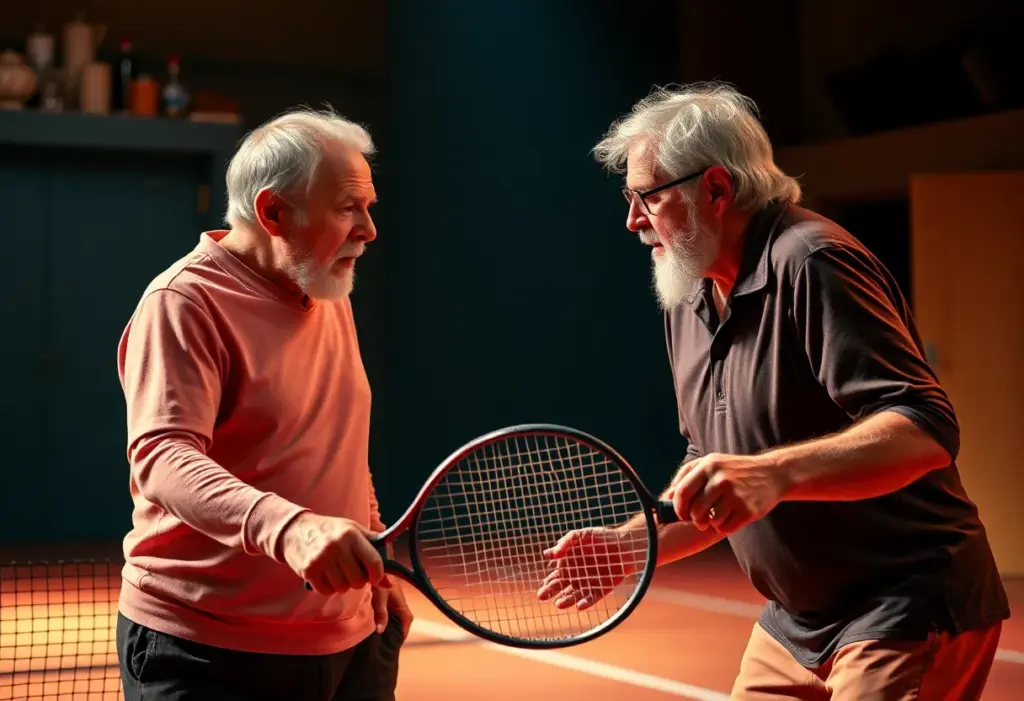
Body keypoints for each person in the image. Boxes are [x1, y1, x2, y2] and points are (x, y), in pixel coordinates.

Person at [539, 83, 1009, 700]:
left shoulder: (813, 260)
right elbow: (715, 470)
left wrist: (774, 473)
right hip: (794, 623)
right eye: (629, 198)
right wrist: (630, 545)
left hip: (903, 603)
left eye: (647, 198)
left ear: (715, 188)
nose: (632, 219)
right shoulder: (686, 293)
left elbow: (925, 427)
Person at [114, 106, 412, 701]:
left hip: (352, 643)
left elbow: (336, 443)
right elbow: (163, 457)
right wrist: (292, 529)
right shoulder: (183, 302)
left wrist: (372, 549)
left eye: (369, 207)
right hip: (209, 651)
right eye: (348, 207)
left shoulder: (327, 289)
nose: (369, 229)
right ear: (274, 211)